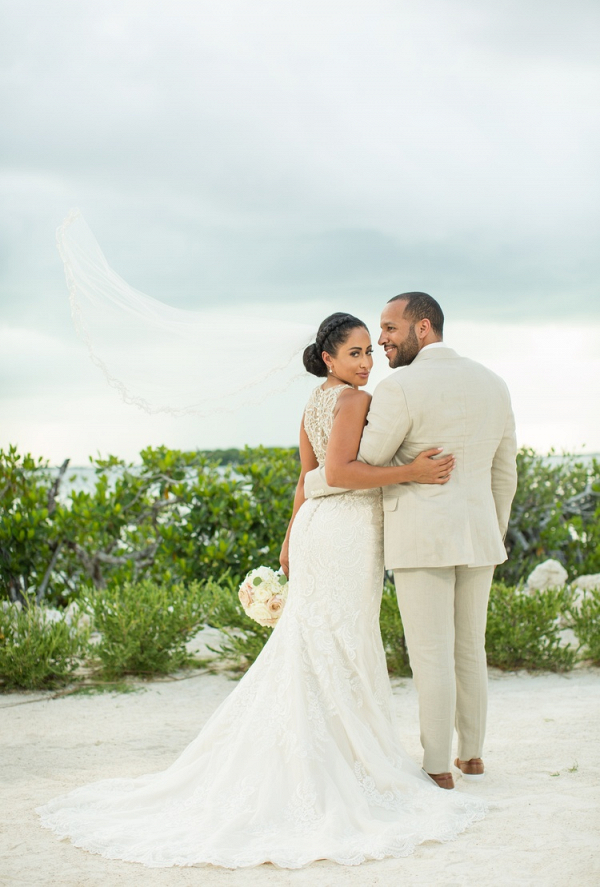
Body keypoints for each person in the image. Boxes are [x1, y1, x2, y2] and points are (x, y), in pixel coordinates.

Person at [37, 311, 486, 869]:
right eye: (355, 354)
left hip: (320, 530)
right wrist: (412, 473)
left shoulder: (313, 403)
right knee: (342, 640)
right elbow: (341, 473)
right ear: (328, 358)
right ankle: (347, 764)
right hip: (346, 531)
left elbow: (306, 478)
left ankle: (325, 754)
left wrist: (290, 537)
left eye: (371, 351)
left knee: (318, 640)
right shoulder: (352, 402)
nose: (367, 362)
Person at [304, 295, 518, 790]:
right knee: (470, 647)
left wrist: (313, 483)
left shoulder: (399, 388)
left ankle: (438, 766)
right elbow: (504, 471)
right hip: (481, 535)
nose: (381, 340)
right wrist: (493, 529)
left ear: (423, 327)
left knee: (431, 652)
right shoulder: (495, 383)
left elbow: (362, 464)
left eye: (389, 328)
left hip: (422, 539)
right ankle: (473, 756)